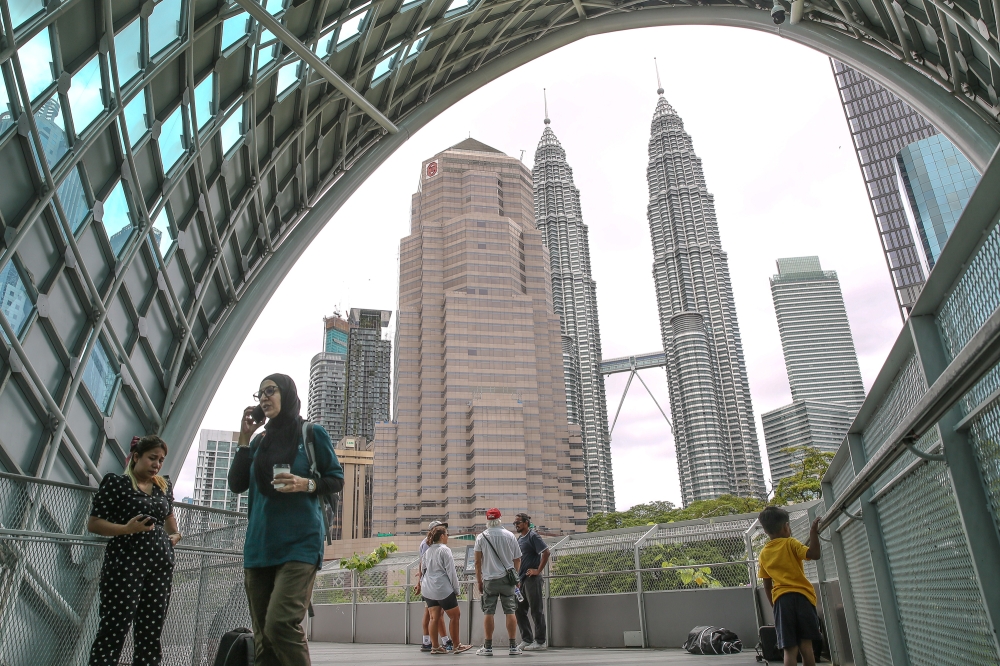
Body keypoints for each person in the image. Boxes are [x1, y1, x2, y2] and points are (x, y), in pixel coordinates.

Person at [229, 374, 345, 666]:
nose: (264, 397)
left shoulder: (311, 433)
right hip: (259, 546)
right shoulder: (259, 443)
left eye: (271, 391)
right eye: (260, 394)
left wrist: (304, 483)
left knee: (280, 624)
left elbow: (336, 479)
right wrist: (244, 439)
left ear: (288, 395)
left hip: (300, 545)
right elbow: (236, 483)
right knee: (263, 640)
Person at [87, 435, 181, 666]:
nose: (157, 465)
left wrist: (175, 535)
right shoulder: (116, 484)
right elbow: (94, 523)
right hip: (125, 562)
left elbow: (169, 517)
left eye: (161, 460)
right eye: (152, 458)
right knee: (114, 627)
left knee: (151, 631)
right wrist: (126, 529)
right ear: (136, 457)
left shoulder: (163, 486)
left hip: (160, 564)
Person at [757, 506, 823, 666]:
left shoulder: (764, 554)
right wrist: (813, 534)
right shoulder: (791, 543)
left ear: (766, 531)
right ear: (786, 526)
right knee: (806, 647)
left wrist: (774, 605)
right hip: (803, 598)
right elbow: (814, 554)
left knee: (789, 650)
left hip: (781, 601)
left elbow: (767, 585)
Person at [474, 508, 522, 657]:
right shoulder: (510, 536)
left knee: (489, 611)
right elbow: (517, 559)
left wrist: (479, 581)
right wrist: (515, 577)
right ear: (500, 519)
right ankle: (513, 646)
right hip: (508, 580)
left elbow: (477, 562)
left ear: (488, 520)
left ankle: (488, 647)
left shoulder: (481, 537)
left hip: (489, 580)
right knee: (510, 611)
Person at [419, 525, 473, 654]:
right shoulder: (445, 550)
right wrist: (456, 589)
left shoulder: (428, 551)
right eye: (447, 534)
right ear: (442, 536)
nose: (448, 537)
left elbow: (422, 570)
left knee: (434, 618)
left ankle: (436, 647)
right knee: (455, 616)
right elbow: (451, 572)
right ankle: (456, 645)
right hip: (442, 588)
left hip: (428, 588)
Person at [512, 513, 548, 651]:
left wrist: (538, 570)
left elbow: (546, 553)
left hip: (532, 579)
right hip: (520, 581)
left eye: (519, 522)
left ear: (526, 522)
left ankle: (540, 641)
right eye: (515, 523)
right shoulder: (519, 539)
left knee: (536, 610)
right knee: (519, 610)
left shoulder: (533, 536)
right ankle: (527, 639)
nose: (516, 525)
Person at [415, 519, 453, 652]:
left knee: (430, 614)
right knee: (435, 615)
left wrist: (420, 581)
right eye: (440, 528)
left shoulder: (426, 543)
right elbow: (425, 563)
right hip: (433, 584)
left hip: (427, 583)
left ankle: (428, 641)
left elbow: (422, 562)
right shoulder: (429, 544)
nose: (443, 530)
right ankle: (443, 641)